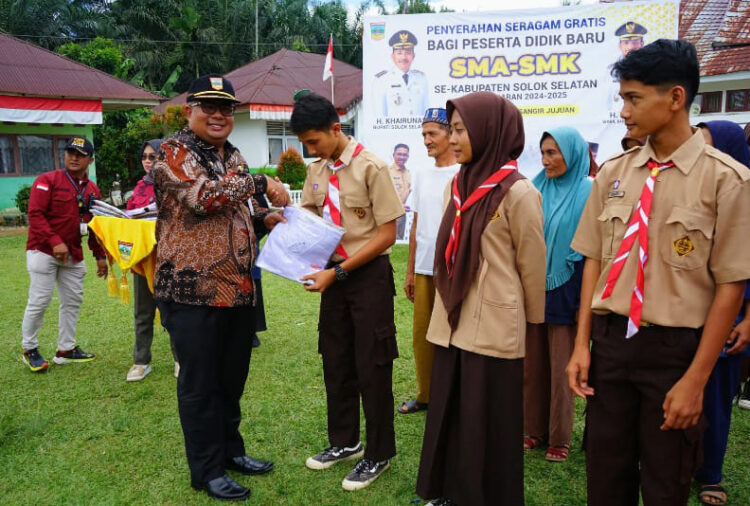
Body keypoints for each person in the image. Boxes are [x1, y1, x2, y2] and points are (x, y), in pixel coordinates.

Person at [566, 40, 750, 506]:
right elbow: (593, 259)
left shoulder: (726, 180)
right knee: (606, 477)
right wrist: (581, 345)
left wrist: (696, 380)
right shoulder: (614, 173)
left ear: (675, 98)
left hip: (675, 352)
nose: (623, 109)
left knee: (667, 481)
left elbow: (730, 286)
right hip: (610, 345)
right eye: (622, 97)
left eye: (633, 97)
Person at [151, 74, 289, 501]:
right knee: (200, 384)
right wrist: (262, 182)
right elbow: (202, 197)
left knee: (231, 380)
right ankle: (206, 470)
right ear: (189, 109)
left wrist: (264, 220)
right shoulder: (172, 152)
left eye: (225, 108)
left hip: (238, 290)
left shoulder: (233, 156)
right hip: (192, 293)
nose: (217, 114)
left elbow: (236, 213)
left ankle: (231, 452)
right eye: (208, 106)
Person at [416, 92, 546, 506]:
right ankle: (447, 491)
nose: (452, 138)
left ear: (490, 130)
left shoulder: (518, 192)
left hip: (493, 327)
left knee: (484, 421)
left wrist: (531, 330)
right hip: (452, 319)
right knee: (449, 411)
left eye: (459, 129)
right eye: (450, 129)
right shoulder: (458, 184)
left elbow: (531, 267)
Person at [292, 92, 404, 491]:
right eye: (305, 143)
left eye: (314, 141)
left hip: (368, 275)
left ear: (335, 129)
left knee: (372, 364)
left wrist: (337, 274)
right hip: (331, 277)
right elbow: (308, 217)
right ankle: (346, 443)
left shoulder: (372, 167)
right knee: (336, 359)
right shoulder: (317, 171)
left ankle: (378, 453)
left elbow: (388, 233)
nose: (310, 149)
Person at [524, 126, 592, 463]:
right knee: (532, 365)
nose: (546, 160)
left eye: (553, 152)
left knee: (561, 367)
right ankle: (533, 430)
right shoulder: (535, 187)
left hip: (569, 286)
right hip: (534, 285)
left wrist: (584, 304)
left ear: (572, 153)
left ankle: (560, 438)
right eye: (544, 152)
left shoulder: (589, 191)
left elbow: (593, 249)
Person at [692, 120, 750, 506]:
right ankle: (673, 461)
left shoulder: (744, 197)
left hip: (731, 322)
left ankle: (709, 474)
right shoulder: (690, 192)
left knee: (714, 399)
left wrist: (749, 320)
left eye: (708, 145)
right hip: (687, 315)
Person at [21, 136, 107, 372]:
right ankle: (29, 348)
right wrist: (55, 241)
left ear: (90, 159)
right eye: (70, 153)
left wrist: (100, 256)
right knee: (39, 301)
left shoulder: (92, 189)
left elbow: (95, 224)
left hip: (73, 254)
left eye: (80, 154)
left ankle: (65, 349)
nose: (74, 158)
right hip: (43, 250)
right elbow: (35, 215)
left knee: (72, 301)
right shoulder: (47, 180)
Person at [400, 108, 459, 415]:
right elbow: (416, 225)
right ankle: (425, 394)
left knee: (453, 334)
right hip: (424, 268)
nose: (426, 140)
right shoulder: (421, 174)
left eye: (432, 133)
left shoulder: (464, 173)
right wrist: (410, 271)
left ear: (451, 134)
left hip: (454, 269)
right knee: (422, 335)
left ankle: (454, 396)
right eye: (423, 134)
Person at [125, 139, 179, 382]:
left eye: (154, 156)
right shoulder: (137, 189)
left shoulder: (176, 186)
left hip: (171, 261)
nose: (149, 161)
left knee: (175, 313)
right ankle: (141, 361)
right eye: (145, 157)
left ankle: (180, 359)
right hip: (143, 260)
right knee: (143, 313)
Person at [374, 30, 429, 117]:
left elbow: (426, 109)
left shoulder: (421, 78)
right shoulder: (382, 80)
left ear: (413, 56)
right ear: (393, 56)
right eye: (399, 53)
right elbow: (379, 115)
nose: (403, 57)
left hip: (419, 129)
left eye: (408, 53)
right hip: (393, 130)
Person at [608, 22, 648, 116]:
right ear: (620, 45)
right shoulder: (610, 71)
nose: (630, 47)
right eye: (626, 43)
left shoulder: (650, 68)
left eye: (635, 42)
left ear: (642, 44)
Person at [389, 143, 411, 239]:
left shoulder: (408, 172)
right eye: (399, 154)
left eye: (404, 155)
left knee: (399, 242)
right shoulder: (387, 171)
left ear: (408, 156)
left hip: (402, 214)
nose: (402, 157)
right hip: (390, 215)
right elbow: (381, 195)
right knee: (389, 243)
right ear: (394, 155)